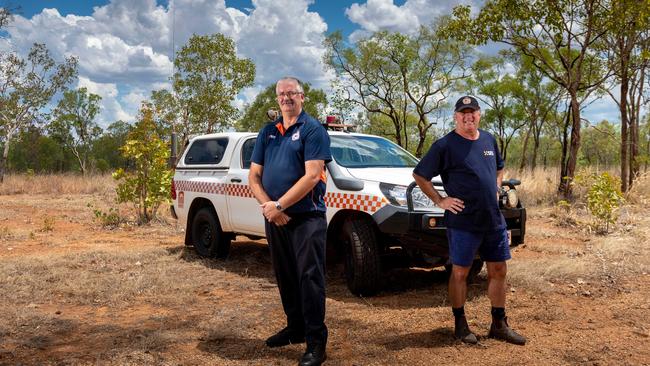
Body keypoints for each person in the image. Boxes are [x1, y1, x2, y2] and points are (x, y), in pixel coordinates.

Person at [412, 96, 526, 346]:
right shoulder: (444, 145)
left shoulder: (488, 139)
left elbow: (498, 167)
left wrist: (496, 187)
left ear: (479, 114)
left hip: (493, 220)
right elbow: (420, 175)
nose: (468, 117)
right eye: (463, 113)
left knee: (498, 270)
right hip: (463, 221)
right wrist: (440, 201)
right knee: (460, 272)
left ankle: (499, 323)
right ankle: (460, 323)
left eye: (472, 112)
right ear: (455, 116)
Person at [249, 76, 331, 365]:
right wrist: (269, 207)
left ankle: (316, 342)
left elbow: (311, 175)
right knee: (285, 275)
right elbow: (254, 177)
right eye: (281, 94)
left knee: (310, 279)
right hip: (275, 217)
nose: (286, 98)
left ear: (302, 96)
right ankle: (295, 328)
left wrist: (280, 204)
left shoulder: (313, 129)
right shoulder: (268, 132)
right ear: (277, 98)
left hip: (307, 218)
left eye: (291, 93)